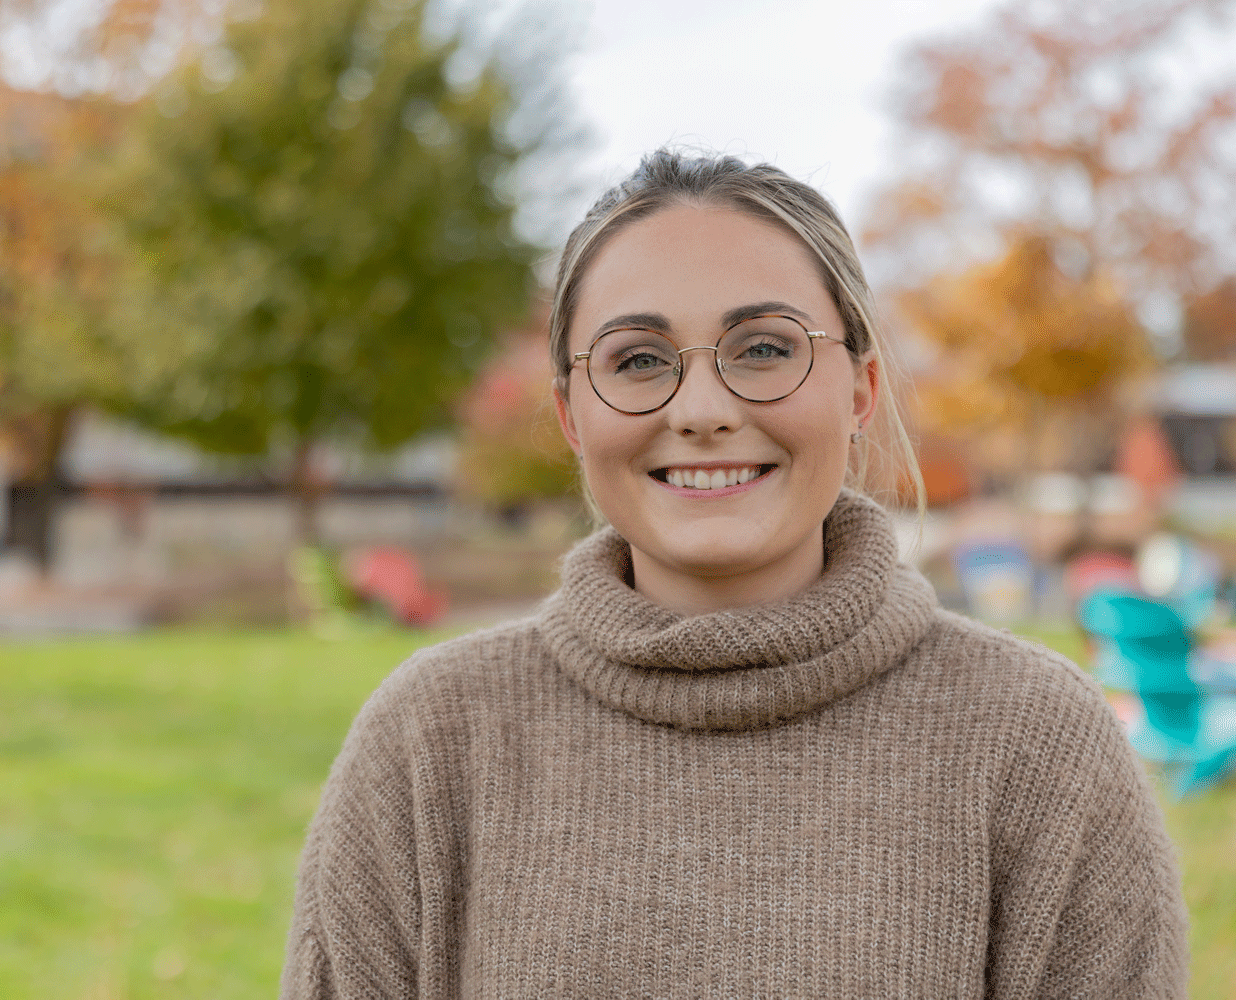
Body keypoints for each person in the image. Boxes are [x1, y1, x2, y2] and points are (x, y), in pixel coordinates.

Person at [280, 149, 1187, 998]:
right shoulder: (429, 742)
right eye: (638, 360)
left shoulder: (1038, 744)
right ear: (570, 414)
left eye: (763, 347)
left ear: (861, 390)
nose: (703, 409)